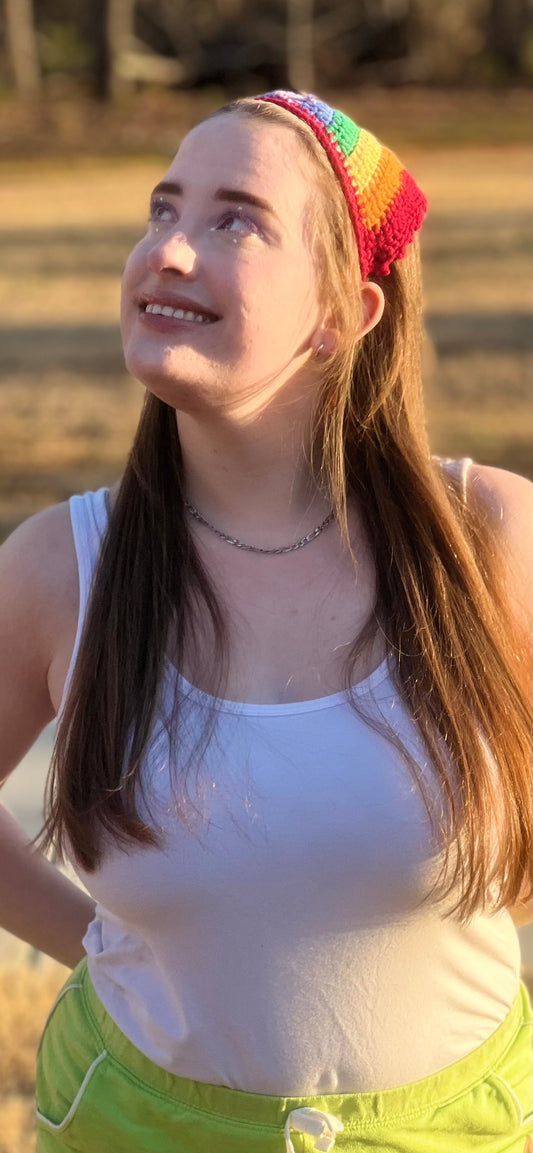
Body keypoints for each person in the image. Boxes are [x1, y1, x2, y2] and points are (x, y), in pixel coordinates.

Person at [0, 91, 531, 1153]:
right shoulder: (63, 567)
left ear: (343, 313)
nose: (168, 250)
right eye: (163, 210)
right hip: (131, 1128)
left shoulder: (489, 540)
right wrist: (99, 943)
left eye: (234, 219)